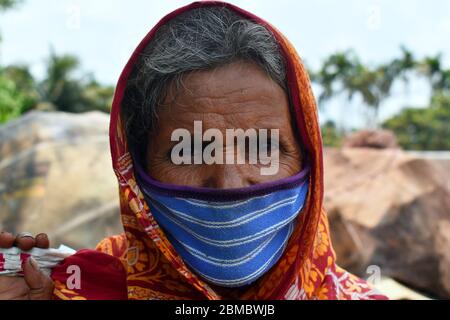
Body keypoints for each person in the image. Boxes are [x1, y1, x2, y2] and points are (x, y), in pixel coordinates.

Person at [0, 1, 387, 300]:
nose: (229, 182)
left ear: (308, 159)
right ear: (135, 172)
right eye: (192, 150)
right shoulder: (79, 287)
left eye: (264, 147)